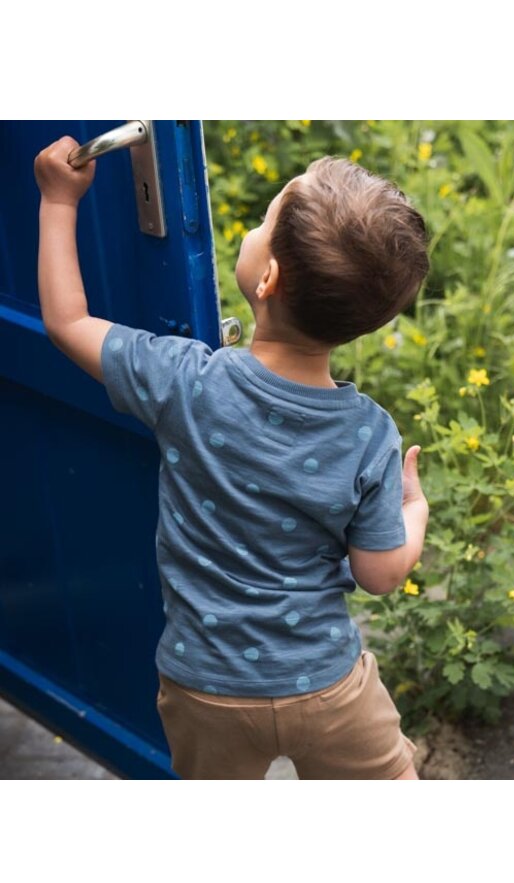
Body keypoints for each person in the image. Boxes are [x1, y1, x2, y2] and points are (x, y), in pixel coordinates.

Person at [34, 137, 431, 780]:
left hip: (205, 690)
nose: (251, 230)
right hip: (328, 687)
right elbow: (380, 575)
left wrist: (58, 200)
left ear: (267, 279)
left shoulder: (183, 382)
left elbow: (66, 321)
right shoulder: (369, 434)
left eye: (262, 223)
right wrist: (414, 509)